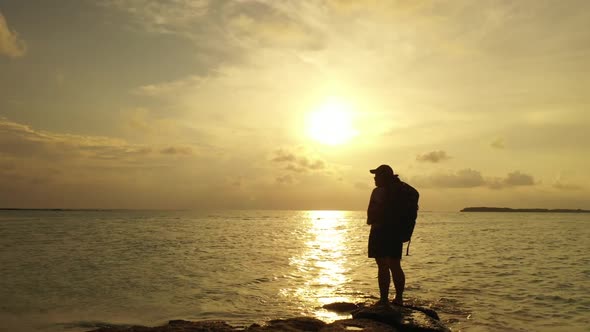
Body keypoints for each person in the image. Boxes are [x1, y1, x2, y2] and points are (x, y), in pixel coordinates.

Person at [366, 164, 407, 306]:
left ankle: (384, 299)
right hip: (395, 232)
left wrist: (371, 220)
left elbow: (373, 212)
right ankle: (399, 299)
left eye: (376, 175)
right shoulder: (400, 191)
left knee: (382, 265)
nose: (374, 178)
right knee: (395, 265)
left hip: (380, 231)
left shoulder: (378, 191)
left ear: (383, 176)